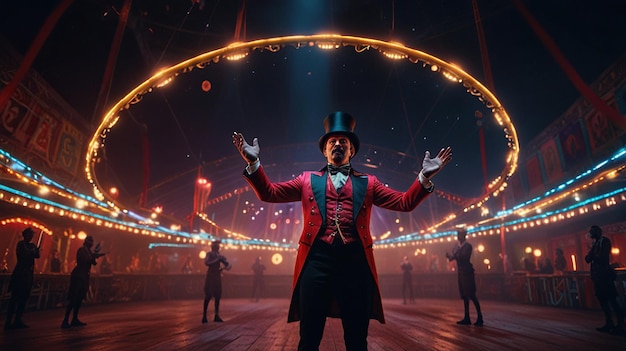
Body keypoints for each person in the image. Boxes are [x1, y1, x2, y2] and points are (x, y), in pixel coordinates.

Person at [233, 111, 452, 350]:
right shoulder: (306, 179)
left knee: (357, 339)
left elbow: (404, 203)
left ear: (352, 151)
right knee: (309, 337)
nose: (338, 144)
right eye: (332, 142)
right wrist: (254, 163)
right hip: (316, 262)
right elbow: (269, 193)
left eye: (343, 142)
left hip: (355, 264)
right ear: (325, 151)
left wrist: (423, 177)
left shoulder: (370, 182)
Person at [584, 225, 624, 334]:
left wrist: (593, 253)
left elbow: (601, 257)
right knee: (602, 300)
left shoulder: (604, 241)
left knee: (612, 299)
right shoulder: (596, 244)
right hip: (598, 276)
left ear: (597, 232)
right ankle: (609, 322)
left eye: (592, 231)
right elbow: (587, 259)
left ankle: (621, 323)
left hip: (605, 275)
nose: (591, 233)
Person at [61, 236, 105, 328]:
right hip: (78, 276)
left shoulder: (88, 252)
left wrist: (95, 255)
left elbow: (93, 262)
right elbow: (84, 260)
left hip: (84, 276)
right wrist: (93, 255)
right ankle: (65, 319)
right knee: (73, 298)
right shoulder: (82, 250)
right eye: (90, 242)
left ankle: (74, 319)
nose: (91, 244)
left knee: (79, 298)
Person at [446, 228, 483, 326]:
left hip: (467, 272)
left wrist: (454, 255)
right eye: (458, 235)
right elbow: (454, 257)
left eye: (460, 235)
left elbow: (463, 257)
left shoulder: (467, 246)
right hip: (461, 272)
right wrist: (450, 257)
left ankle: (480, 317)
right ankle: (467, 317)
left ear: (464, 236)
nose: (458, 237)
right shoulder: (458, 247)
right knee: (465, 296)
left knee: (471, 294)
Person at [4, 227, 40, 329]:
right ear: (25, 235)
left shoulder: (32, 246)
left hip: (28, 275)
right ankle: (8, 321)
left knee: (23, 298)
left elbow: (37, 255)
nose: (31, 236)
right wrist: (34, 252)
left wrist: (36, 251)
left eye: (31, 235)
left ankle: (18, 319)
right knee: (14, 298)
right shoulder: (21, 244)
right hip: (20, 274)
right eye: (29, 235)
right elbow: (23, 255)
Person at [202, 240, 231, 323]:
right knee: (208, 295)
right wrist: (217, 259)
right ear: (213, 247)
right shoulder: (209, 254)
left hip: (217, 276)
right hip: (211, 276)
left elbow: (228, 266)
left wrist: (226, 264)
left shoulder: (219, 255)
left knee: (218, 296)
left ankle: (216, 315)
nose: (218, 247)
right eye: (216, 246)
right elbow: (207, 263)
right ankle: (204, 315)